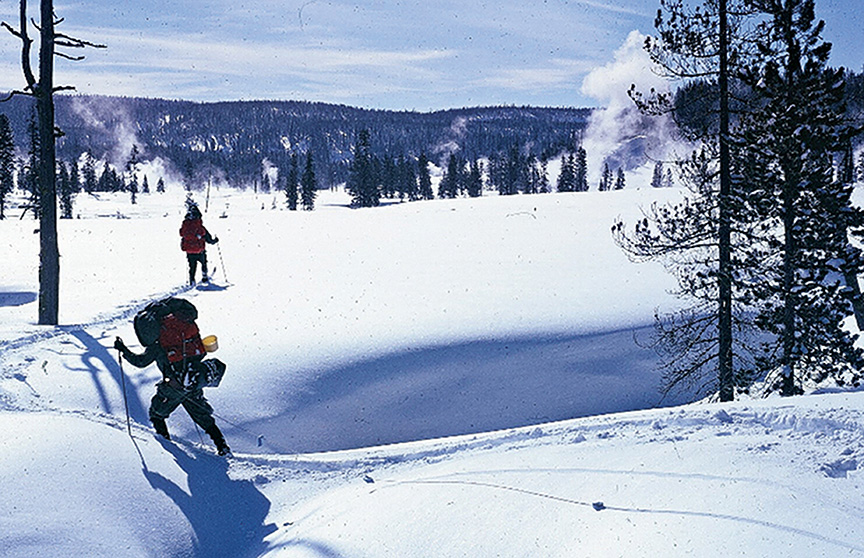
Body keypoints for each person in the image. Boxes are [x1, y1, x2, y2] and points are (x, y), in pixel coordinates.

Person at [114, 334, 231, 456]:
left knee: (156, 414)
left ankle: (166, 445)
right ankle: (222, 446)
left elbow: (140, 362)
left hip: (172, 389)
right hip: (192, 384)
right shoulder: (188, 336)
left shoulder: (157, 344)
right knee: (203, 417)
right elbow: (201, 354)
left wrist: (123, 349)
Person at [180, 201, 219, 285]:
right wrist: (214, 241)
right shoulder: (200, 227)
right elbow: (208, 239)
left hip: (189, 250)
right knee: (204, 262)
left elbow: (181, 234)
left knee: (192, 266)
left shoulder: (185, 225)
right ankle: (204, 277)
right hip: (199, 249)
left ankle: (192, 280)